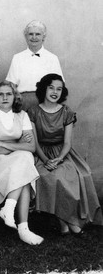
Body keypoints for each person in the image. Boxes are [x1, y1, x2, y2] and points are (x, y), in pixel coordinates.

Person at [29, 74, 103, 234]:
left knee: (77, 176)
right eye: (51, 87)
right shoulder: (33, 112)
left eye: (59, 89)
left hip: (62, 153)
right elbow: (34, 142)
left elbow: (68, 143)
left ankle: (67, 222)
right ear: (44, 89)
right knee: (50, 178)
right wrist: (46, 160)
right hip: (40, 154)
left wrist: (58, 159)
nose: (55, 92)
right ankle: (66, 222)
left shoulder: (66, 112)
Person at [0, 81, 43, 245]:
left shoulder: (22, 115)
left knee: (24, 160)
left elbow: (31, 146)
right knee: (24, 162)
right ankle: (23, 227)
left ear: (14, 96)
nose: (4, 97)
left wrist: (1, 143)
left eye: (8, 94)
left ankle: (10, 210)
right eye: (0, 94)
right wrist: (17, 145)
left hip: (16, 160)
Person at [6, 21, 64, 111]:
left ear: (43, 37)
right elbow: (11, 84)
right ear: (26, 36)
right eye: (30, 34)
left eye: (37, 34)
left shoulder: (52, 58)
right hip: (23, 103)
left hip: (46, 102)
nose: (34, 37)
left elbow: (59, 85)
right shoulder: (17, 58)